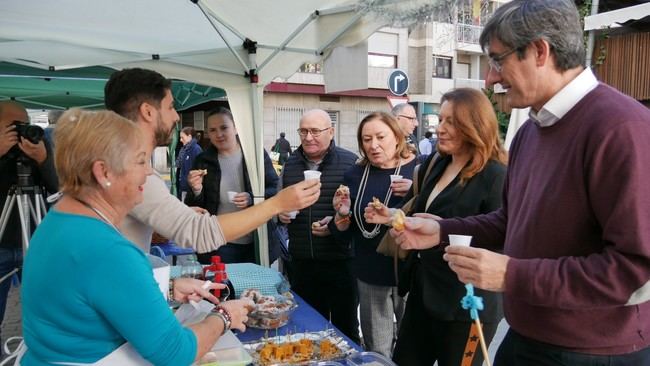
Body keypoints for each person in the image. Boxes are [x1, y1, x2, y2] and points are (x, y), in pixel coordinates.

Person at [376, 1, 650, 364]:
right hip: (528, 338)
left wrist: (512, 274)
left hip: (591, 352)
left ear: (540, 51)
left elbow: (634, 270)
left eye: (497, 60)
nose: (490, 79)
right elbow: (510, 221)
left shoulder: (621, 128)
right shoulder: (531, 131)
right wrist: (441, 229)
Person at [21, 109, 252, 365]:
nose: (149, 173)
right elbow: (175, 353)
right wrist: (223, 316)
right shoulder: (107, 250)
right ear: (104, 173)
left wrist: (167, 290)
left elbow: (89, 298)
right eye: (141, 161)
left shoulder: (60, 221)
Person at [104, 68, 321, 255]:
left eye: (224, 128)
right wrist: (277, 204)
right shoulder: (132, 172)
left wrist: (184, 213)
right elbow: (197, 233)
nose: (176, 117)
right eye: (170, 107)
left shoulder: (118, 162)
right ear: (148, 112)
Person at [366, 89, 507, 365]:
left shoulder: (496, 175)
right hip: (423, 295)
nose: (439, 128)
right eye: (440, 120)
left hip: (466, 306)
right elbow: (419, 215)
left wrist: (443, 232)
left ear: (475, 125)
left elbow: (502, 238)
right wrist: (394, 219)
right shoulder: (434, 163)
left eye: (450, 122)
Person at [330, 111, 416, 357]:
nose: (374, 145)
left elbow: (435, 217)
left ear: (397, 137)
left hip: (408, 272)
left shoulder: (418, 172)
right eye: (367, 139)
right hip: (369, 271)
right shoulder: (355, 174)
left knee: (412, 348)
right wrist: (342, 214)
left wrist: (413, 191)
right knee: (377, 349)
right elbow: (345, 235)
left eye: (380, 137)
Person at [278, 109, 360, 344]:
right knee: (309, 329)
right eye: (303, 131)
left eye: (315, 131)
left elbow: (358, 213)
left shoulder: (350, 162)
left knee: (346, 330)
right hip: (302, 262)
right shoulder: (291, 164)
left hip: (341, 262)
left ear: (331, 132)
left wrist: (335, 225)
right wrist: (280, 214)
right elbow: (278, 202)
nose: (308, 137)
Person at [186, 107, 279, 264]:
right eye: (213, 130)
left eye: (224, 127)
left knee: (255, 287)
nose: (219, 134)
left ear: (236, 128)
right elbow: (194, 208)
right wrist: (196, 190)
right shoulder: (203, 160)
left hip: (256, 237)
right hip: (220, 241)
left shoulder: (254, 154)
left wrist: (251, 197)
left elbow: (275, 188)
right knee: (224, 286)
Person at [0, 101, 57, 348]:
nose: (20, 131)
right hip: (2, 243)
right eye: (13, 125)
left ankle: (43, 351)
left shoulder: (38, 148)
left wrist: (43, 159)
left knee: (46, 306)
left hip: (35, 239)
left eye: (23, 124)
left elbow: (60, 188)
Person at [175, 126, 202, 201]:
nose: (180, 140)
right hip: (182, 187)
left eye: (182, 137)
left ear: (189, 137)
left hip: (189, 189)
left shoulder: (196, 149)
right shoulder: (184, 149)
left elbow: (199, 170)